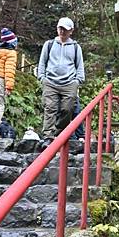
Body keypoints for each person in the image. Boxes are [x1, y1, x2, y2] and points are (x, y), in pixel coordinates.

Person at [37, 17, 85, 149]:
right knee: (50, 108)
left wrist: (78, 81)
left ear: (71, 31)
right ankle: (48, 136)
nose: (62, 31)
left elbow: (79, 65)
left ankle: (58, 132)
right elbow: (42, 62)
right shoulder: (49, 44)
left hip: (69, 82)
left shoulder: (75, 47)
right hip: (50, 82)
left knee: (67, 109)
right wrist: (42, 78)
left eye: (65, 29)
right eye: (60, 28)